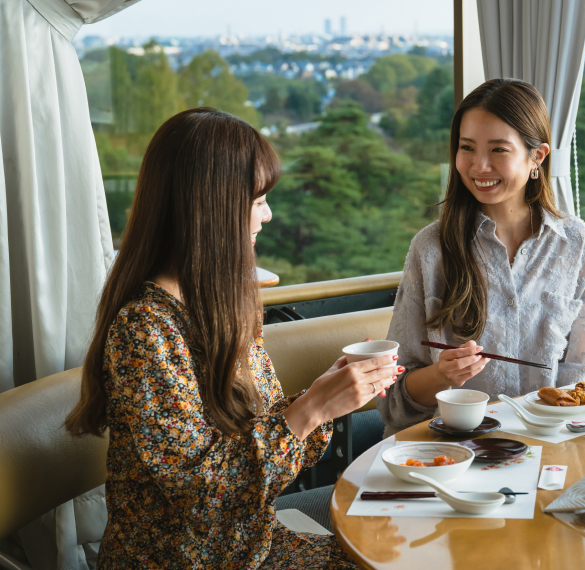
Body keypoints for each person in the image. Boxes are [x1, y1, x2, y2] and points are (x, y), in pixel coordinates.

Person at [64, 108, 396, 569]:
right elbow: (200, 496)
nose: (269, 214)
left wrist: (326, 398)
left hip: (244, 546)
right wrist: (310, 410)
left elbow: (258, 452)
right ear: (211, 206)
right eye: (258, 199)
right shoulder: (145, 331)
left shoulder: (222, 304)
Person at [378, 79, 585, 436]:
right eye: (467, 148)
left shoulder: (576, 244)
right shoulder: (430, 248)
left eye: (498, 150)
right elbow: (394, 400)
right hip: (446, 454)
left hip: (546, 445)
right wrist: (441, 375)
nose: (479, 166)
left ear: (538, 157)